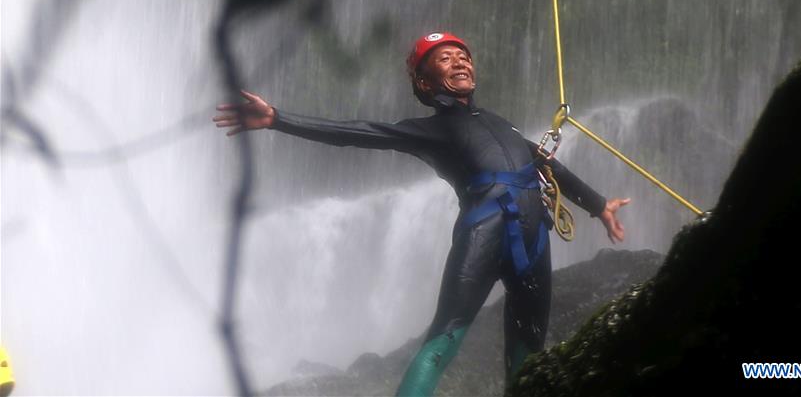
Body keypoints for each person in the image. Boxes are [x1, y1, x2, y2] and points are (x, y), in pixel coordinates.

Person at [213, 32, 629, 396]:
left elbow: (549, 166)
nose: (460, 61)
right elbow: (357, 133)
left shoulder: (504, 125)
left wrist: (599, 206)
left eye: (463, 56)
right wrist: (279, 119)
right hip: (484, 227)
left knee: (529, 348)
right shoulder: (432, 130)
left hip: (535, 236)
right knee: (444, 337)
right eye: (445, 59)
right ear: (425, 83)